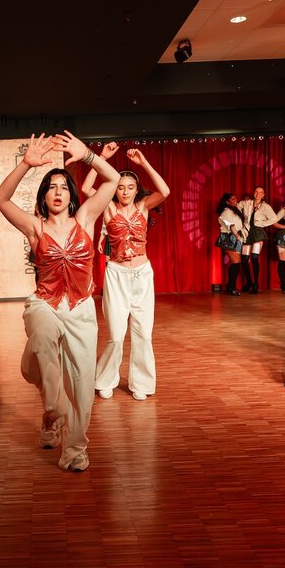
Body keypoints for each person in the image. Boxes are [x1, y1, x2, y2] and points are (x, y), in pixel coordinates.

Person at [0, 131, 119, 472]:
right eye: (52, 187)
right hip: (45, 303)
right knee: (41, 344)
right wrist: (25, 164)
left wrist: (89, 156)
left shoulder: (86, 219)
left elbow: (112, 180)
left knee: (82, 384)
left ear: (72, 195)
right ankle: (53, 407)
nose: (58, 192)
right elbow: (1, 199)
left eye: (64, 187)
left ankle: (74, 448)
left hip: (81, 308)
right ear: (44, 196)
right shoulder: (35, 227)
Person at [81, 142, 170, 401]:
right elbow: (86, 188)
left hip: (142, 274)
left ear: (136, 189)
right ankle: (105, 379)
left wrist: (144, 163)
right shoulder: (108, 207)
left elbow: (164, 191)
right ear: (115, 189)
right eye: (120, 187)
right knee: (117, 335)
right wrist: (101, 157)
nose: (125, 191)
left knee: (143, 333)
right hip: (116, 273)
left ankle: (142, 383)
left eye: (130, 187)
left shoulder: (143, 206)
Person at [239, 186, 277, 294]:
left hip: (258, 232)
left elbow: (274, 219)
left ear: (263, 195)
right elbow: (236, 207)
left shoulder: (266, 207)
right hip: (247, 231)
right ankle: (249, 283)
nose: (258, 193)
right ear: (253, 193)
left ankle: (256, 284)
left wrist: (262, 223)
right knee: (244, 259)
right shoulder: (247, 203)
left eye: (261, 192)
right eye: (256, 191)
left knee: (254, 258)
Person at [215, 192, 245, 296]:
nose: (235, 200)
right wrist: (237, 236)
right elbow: (231, 226)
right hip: (229, 237)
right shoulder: (226, 212)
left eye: (236, 198)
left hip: (235, 237)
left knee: (236, 262)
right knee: (236, 262)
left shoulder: (234, 211)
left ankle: (230, 286)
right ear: (227, 202)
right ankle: (231, 287)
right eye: (232, 199)